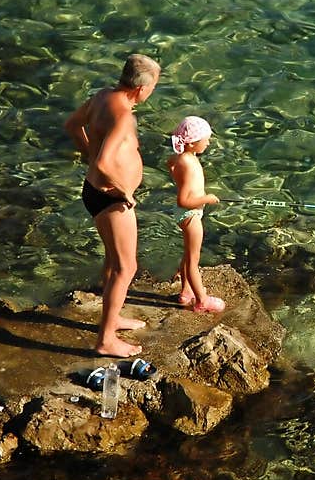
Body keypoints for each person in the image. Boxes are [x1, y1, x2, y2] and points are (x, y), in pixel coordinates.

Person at [64, 53, 161, 357]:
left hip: (93, 191)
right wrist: (124, 192)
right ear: (142, 89)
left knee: (112, 260)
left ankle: (113, 317)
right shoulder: (123, 115)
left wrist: (87, 155)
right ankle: (105, 339)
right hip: (111, 198)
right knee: (126, 266)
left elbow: (71, 124)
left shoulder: (102, 97)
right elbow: (106, 161)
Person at [167, 116, 226, 313]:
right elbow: (183, 201)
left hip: (187, 214)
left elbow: (171, 163)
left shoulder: (182, 159)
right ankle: (202, 300)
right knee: (193, 260)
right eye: (206, 139)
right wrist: (206, 199)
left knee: (188, 254)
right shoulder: (188, 163)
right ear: (192, 143)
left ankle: (185, 293)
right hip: (190, 214)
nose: (208, 142)